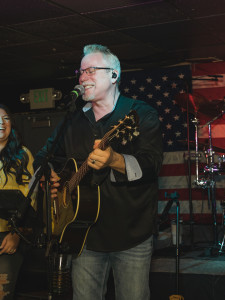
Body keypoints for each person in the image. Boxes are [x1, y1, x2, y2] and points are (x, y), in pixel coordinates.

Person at [33, 44, 163, 300]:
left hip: (131, 235)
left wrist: (115, 160)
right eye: (80, 72)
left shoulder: (140, 114)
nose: (82, 78)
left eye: (91, 70)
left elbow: (151, 165)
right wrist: (49, 173)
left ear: (114, 75)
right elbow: (43, 156)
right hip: (83, 235)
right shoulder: (72, 120)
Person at [0, 104, 36, 300]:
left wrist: (17, 234)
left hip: (7, 237)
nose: (1, 123)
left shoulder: (23, 155)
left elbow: (31, 197)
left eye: (5, 118)